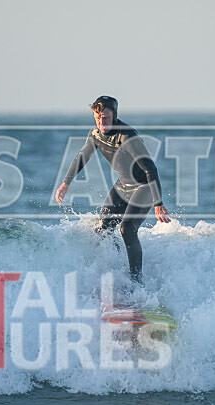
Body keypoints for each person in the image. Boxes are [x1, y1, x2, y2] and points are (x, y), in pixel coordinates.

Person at [55, 95, 170, 283]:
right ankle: (118, 265)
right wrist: (66, 183)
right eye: (98, 117)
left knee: (127, 228)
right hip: (123, 185)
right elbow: (82, 157)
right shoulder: (95, 135)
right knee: (103, 228)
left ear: (114, 116)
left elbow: (151, 169)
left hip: (144, 188)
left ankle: (136, 281)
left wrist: (158, 203)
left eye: (106, 118)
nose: (102, 122)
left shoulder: (127, 136)